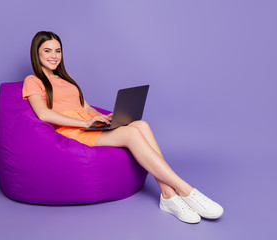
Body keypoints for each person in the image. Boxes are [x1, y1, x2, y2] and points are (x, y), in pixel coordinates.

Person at [22, 31, 224, 224]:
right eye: (47, 50)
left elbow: (85, 107)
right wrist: (84, 123)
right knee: (131, 133)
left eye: (58, 50)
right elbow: (43, 114)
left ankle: (168, 195)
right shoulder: (33, 80)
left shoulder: (67, 80)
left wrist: (101, 117)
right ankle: (186, 190)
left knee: (141, 124)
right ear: (37, 52)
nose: (54, 56)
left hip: (87, 126)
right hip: (72, 132)